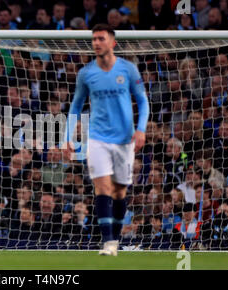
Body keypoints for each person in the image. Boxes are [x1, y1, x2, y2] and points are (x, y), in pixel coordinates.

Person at [63, 24, 149, 256]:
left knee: (120, 192)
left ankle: (116, 237)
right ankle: (108, 242)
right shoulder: (86, 73)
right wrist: (67, 136)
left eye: (101, 38)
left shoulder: (128, 69)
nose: (96, 43)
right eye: (94, 39)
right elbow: (76, 105)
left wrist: (140, 129)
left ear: (113, 42)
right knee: (102, 187)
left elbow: (142, 101)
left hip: (124, 140)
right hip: (97, 138)